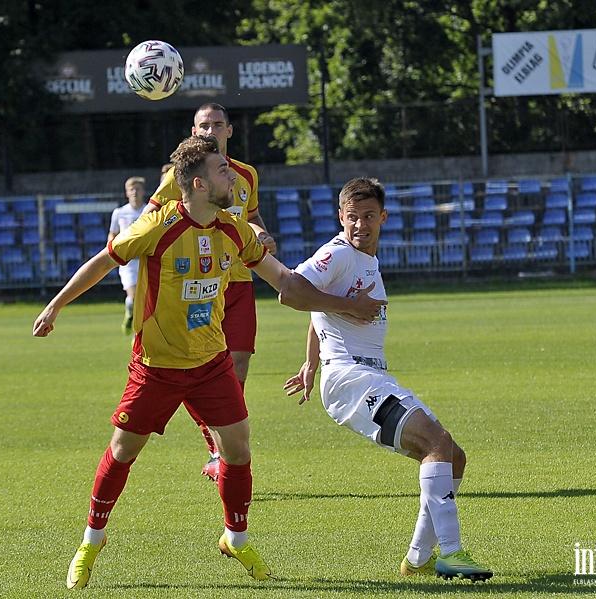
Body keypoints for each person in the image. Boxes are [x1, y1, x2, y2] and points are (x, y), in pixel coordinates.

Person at [33, 136, 385, 590]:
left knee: (237, 451)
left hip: (211, 364)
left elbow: (286, 284)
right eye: (222, 171)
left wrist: (343, 304)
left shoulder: (234, 230)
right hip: (156, 367)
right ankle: (91, 542)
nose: (232, 176)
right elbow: (103, 262)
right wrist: (55, 306)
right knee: (122, 451)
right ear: (198, 184)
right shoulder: (156, 228)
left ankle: (235, 538)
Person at [282, 177, 493, 582]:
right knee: (437, 443)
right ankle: (451, 553)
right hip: (351, 377)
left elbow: (315, 306)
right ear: (340, 218)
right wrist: (347, 311)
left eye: (368, 217)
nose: (360, 225)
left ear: (383, 218)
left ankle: (418, 558)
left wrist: (311, 361)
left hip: (367, 373)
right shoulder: (338, 252)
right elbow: (292, 290)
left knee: (453, 456)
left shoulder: (366, 262)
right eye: (352, 217)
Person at [143, 103, 276, 482]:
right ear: (194, 130)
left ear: (229, 131)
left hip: (238, 283)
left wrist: (262, 234)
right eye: (204, 126)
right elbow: (151, 218)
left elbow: (250, 218)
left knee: (237, 370)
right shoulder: (180, 175)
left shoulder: (245, 174)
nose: (210, 131)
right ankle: (216, 448)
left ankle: (223, 447)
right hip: (195, 288)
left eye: (217, 125)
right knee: (193, 370)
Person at [108, 177, 148, 334]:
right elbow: (112, 234)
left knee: (145, 300)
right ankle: (130, 315)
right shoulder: (119, 213)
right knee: (133, 298)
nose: (135, 192)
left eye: (138, 189)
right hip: (128, 264)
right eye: (132, 189)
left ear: (144, 192)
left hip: (146, 260)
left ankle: (138, 334)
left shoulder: (149, 211)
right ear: (126, 193)